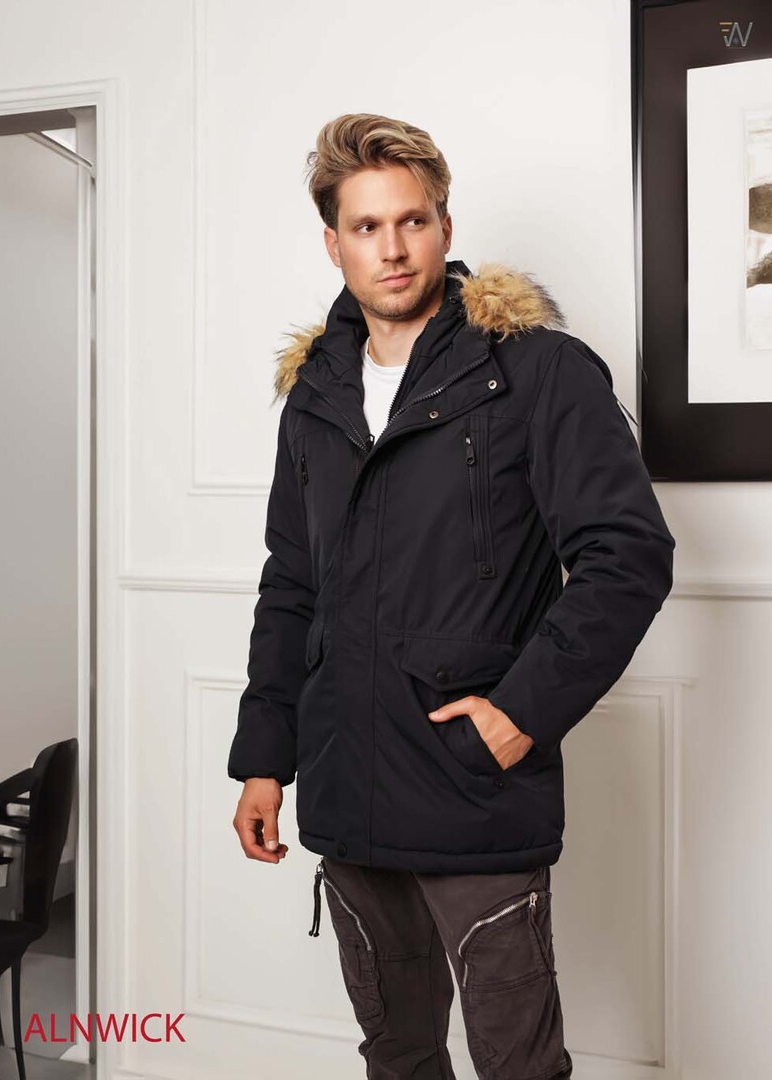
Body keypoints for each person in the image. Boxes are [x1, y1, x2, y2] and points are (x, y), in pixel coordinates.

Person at [228, 113, 676, 1079]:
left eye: (413, 221)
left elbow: (627, 554)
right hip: (345, 782)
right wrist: (265, 757)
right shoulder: (315, 394)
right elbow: (291, 582)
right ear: (333, 242)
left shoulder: (536, 370)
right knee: (396, 1055)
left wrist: (519, 716)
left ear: (444, 226)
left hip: (472, 789)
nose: (392, 249)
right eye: (366, 227)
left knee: (519, 1066)